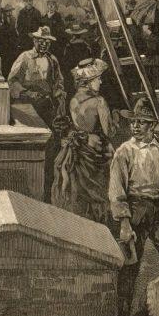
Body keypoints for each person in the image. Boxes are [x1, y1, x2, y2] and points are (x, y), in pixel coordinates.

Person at [109, 96, 159, 316]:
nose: (135, 126)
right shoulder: (124, 152)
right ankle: (123, 314)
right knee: (130, 265)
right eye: (133, 122)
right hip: (137, 209)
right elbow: (117, 189)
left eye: (142, 122)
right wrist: (124, 223)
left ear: (152, 125)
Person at [8, 25, 67, 200]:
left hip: (47, 106)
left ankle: (47, 189)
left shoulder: (53, 60)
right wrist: (26, 92)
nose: (44, 44)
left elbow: (59, 82)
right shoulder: (24, 57)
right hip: (28, 107)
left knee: (51, 144)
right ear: (34, 41)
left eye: (47, 42)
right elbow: (12, 81)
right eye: (41, 41)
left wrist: (59, 92)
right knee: (33, 143)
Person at [52, 58, 113, 223]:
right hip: (95, 152)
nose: (100, 81)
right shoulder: (99, 101)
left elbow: (75, 126)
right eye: (98, 78)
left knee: (78, 191)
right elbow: (108, 132)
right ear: (89, 81)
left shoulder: (73, 100)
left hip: (78, 149)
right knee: (99, 191)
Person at [61, 22, 95, 95]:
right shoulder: (86, 46)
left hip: (72, 73)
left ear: (73, 35)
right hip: (84, 73)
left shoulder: (69, 47)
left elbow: (66, 63)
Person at [0, 0, 17, 78]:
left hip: (10, 43)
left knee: (10, 60)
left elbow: (13, 31)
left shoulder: (12, 18)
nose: (9, 12)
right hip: (2, 42)